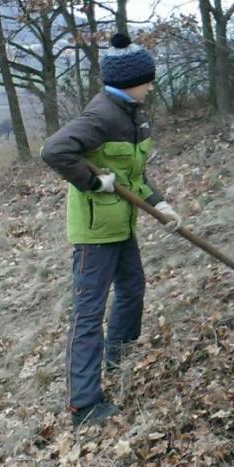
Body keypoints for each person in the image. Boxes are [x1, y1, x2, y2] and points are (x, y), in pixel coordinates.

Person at [40, 32, 182, 427]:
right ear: (127, 82)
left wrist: (159, 204)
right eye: (147, 80)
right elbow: (53, 151)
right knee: (88, 314)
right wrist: (92, 181)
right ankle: (84, 405)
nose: (152, 86)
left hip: (123, 224)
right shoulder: (101, 115)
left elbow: (134, 173)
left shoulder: (136, 115)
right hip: (94, 234)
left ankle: (120, 360)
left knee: (133, 288)